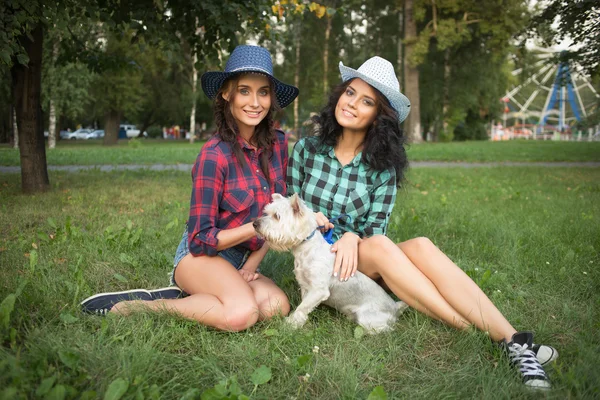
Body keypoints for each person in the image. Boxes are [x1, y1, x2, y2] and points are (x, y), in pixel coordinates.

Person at [287, 56, 557, 389]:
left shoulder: (380, 168)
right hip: (318, 258)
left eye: (367, 101)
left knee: (421, 246)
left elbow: (375, 232)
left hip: (360, 261)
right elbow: (291, 216)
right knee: (390, 248)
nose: (353, 104)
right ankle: (493, 338)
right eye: (350, 93)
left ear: (378, 116)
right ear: (339, 96)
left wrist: (352, 236)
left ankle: (512, 339)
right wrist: (321, 229)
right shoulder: (306, 150)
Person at [81, 45, 299, 331]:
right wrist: (258, 226)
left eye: (263, 92)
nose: (255, 102)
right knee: (242, 314)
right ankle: (145, 306)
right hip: (201, 258)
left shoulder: (279, 145)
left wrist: (251, 265)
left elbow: (280, 211)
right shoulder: (214, 155)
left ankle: (202, 296)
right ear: (226, 93)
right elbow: (200, 239)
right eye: (244, 90)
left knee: (276, 306)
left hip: (244, 259)